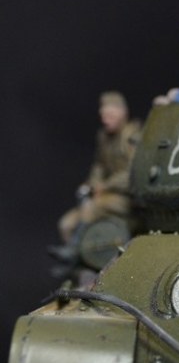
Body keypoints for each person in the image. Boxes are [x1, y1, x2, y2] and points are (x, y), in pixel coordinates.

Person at [54, 91, 141, 250]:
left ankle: (74, 250)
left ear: (122, 114)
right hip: (106, 195)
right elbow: (99, 166)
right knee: (66, 224)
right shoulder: (104, 137)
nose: (105, 120)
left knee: (91, 207)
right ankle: (76, 256)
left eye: (110, 115)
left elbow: (133, 173)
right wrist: (93, 184)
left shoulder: (132, 137)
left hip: (128, 198)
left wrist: (105, 186)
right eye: (103, 115)